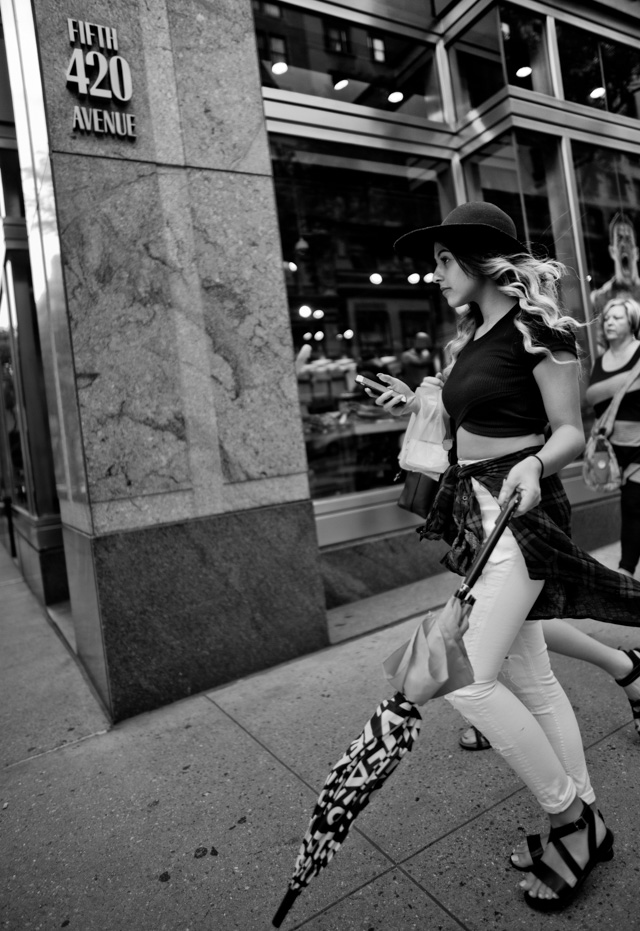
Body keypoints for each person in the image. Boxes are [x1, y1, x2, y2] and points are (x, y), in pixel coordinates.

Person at [367, 202, 640, 912]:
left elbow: (570, 433)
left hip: (521, 520)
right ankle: (589, 819)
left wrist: (533, 467)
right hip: (478, 520)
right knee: (535, 677)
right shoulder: (473, 335)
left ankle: (568, 818)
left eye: (443, 263)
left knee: (464, 680)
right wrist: (418, 404)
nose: (436, 277)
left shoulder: (535, 328)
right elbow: (472, 426)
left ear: (477, 259)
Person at [585, 296, 640, 578]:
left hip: (639, 444)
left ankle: (625, 570)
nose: (609, 322)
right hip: (613, 447)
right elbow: (591, 397)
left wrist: (605, 389)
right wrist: (628, 381)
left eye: (617, 317)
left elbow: (596, 393)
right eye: (606, 318)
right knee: (632, 504)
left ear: (632, 322)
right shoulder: (601, 360)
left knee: (632, 503)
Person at [590, 213, 640, 321]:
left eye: (628, 239)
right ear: (612, 251)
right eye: (619, 239)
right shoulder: (600, 299)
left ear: (637, 252)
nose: (623, 244)